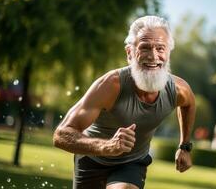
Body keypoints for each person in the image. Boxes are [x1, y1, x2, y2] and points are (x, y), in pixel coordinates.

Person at [53, 15, 196, 189]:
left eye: (160, 48)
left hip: (132, 162)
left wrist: (185, 146)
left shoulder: (178, 89)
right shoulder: (110, 85)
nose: (153, 56)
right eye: (145, 48)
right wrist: (107, 146)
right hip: (92, 160)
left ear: (168, 53)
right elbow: (61, 135)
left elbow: (188, 105)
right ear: (129, 53)